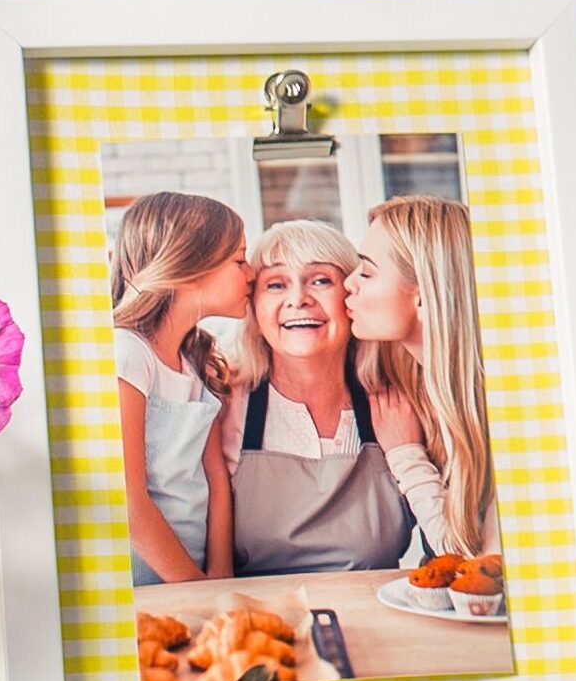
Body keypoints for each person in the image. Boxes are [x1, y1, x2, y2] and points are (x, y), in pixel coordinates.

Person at [220, 219, 416, 576]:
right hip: (259, 624)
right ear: (253, 308)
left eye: (321, 280)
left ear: (352, 297)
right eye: (276, 284)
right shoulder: (223, 407)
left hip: (380, 619)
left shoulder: (398, 406)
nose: (298, 299)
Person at [348, 195, 498, 559]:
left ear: (424, 299)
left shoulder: (506, 406)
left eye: (367, 273)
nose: (348, 285)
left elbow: (476, 567)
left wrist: (406, 455)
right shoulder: (415, 381)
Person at [110, 193, 249, 585]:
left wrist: (219, 579)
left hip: (197, 580)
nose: (252, 273)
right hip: (148, 583)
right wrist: (194, 588)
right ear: (190, 269)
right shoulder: (127, 354)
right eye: (240, 260)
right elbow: (128, 500)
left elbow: (216, 478)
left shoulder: (196, 360)